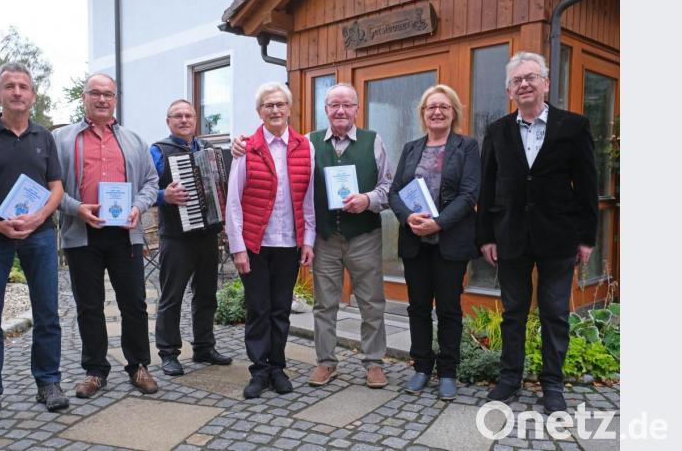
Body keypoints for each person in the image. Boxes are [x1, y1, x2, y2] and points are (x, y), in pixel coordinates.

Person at [232, 83, 393, 388]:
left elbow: (388, 187)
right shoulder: (307, 143)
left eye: (347, 105)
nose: (341, 111)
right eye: (334, 105)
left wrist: (368, 199)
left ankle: (374, 362)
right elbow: (294, 182)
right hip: (325, 236)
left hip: (364, 235)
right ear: (326, 110)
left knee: (372, 302)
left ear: (357, 109)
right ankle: (326, 362)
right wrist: (239, 143)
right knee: (324, 303)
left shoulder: (374, 142)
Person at [477, 52, 598, 413]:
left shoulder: (574, 126)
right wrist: (486, 236)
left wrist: (587, 237)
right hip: (510, 235)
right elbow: (487, 186)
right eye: (517, 80)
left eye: (531, 77)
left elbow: (587, 185)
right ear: (509, 90)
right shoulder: (497, 131)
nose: (524, 84)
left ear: (545, 83)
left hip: (558, 236)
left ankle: (552, 385)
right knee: (513, 312)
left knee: (555, 313)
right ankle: (510, 378)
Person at [0, 62, 68, 424]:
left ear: (33, 95)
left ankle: (48, 382)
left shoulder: (44, 137)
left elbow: (56, 188)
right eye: (10, 86)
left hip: (40, 235)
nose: (17, 92)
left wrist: (37, 218)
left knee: (47, 312)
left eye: (23, 86)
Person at [53, 73, 160, 398]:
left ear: (115, 99)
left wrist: (137, 207)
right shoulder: (61, 139)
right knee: (89, 305)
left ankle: (138, 366)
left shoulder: (134, 140)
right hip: (82, 233)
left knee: (135, 303)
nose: (102, 99)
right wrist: (76, 208)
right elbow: (49, 186)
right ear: (84, 97)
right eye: (95, 93)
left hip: (126, 234)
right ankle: (95, 370)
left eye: (108, 94)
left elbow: (151, 183)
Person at [388, 84, 480, 400]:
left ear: (453, 112)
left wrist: (438, 223)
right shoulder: (411, 148)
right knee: (418, 307)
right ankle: (421, 367)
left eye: (443, 106)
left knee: (449, 308)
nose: (437, 112)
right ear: (423, 113)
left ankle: (448, 372)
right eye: (431, 107)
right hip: (415, 242)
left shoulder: (467, 147)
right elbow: (395, 192)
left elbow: (469, 194)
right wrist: (408, 218)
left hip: (450, 242)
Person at [225, 82, 316, 399]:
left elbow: (308, 200)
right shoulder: (246, 148)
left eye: (280, 104)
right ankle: (259, 370)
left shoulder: (305, 147)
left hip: (289, 243)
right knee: (258, 309)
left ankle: (277, 368)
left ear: (289, 108)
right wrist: (238, 247)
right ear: (259, 111)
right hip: (255, 244)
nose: (275, 110)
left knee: (280, 310)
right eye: (268, 105)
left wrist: (308, 240)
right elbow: (233, 202)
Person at [149, 99, 233, 376]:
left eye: (189, 115)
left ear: (195, 120)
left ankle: (204, 347)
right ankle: (168, 353)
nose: (184, 120)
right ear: (168, 121)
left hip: (208, 235)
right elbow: (142, 189)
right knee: (172, 297)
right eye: (178, 116)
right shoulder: (158, 151)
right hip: (176, 237)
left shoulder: (208, 149)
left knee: (207, 294)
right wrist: (164, 195)